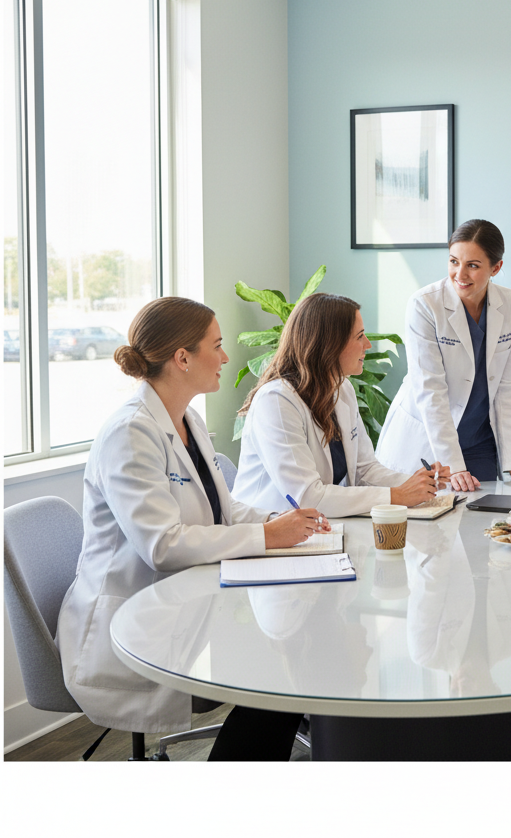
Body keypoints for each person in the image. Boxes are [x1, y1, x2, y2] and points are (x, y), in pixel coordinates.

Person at [56, 297, 327, 760]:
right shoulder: (130, 433)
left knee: (296, 653)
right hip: (135, 623)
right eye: (216, 346)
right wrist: (267, 537)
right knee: (280, 675)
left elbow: (224, 509)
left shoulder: (187, 420)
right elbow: (162, 546)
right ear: (182, 358)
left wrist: (280, 524)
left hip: (190, 604)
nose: (225, 357)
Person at [233, 292, 446, 515]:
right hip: (269, 527)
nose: (368, 345)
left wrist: (419, 484)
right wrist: (397, 495)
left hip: (314, 528)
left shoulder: (341, 388)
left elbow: (365, 471)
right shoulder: (276, 401)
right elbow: (307, 497)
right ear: (330, 344)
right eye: (360, 336)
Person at [375, 219, 511, 492]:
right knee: (432, 526)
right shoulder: (425, 304)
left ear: (495, 268)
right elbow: (430, 390)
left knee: (485, 520)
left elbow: (508, 387)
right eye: (453, 261)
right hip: (428, 439)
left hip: (479, 439)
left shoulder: (509, 303)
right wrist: (453, 464)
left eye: (472, 265)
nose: (459, 274)